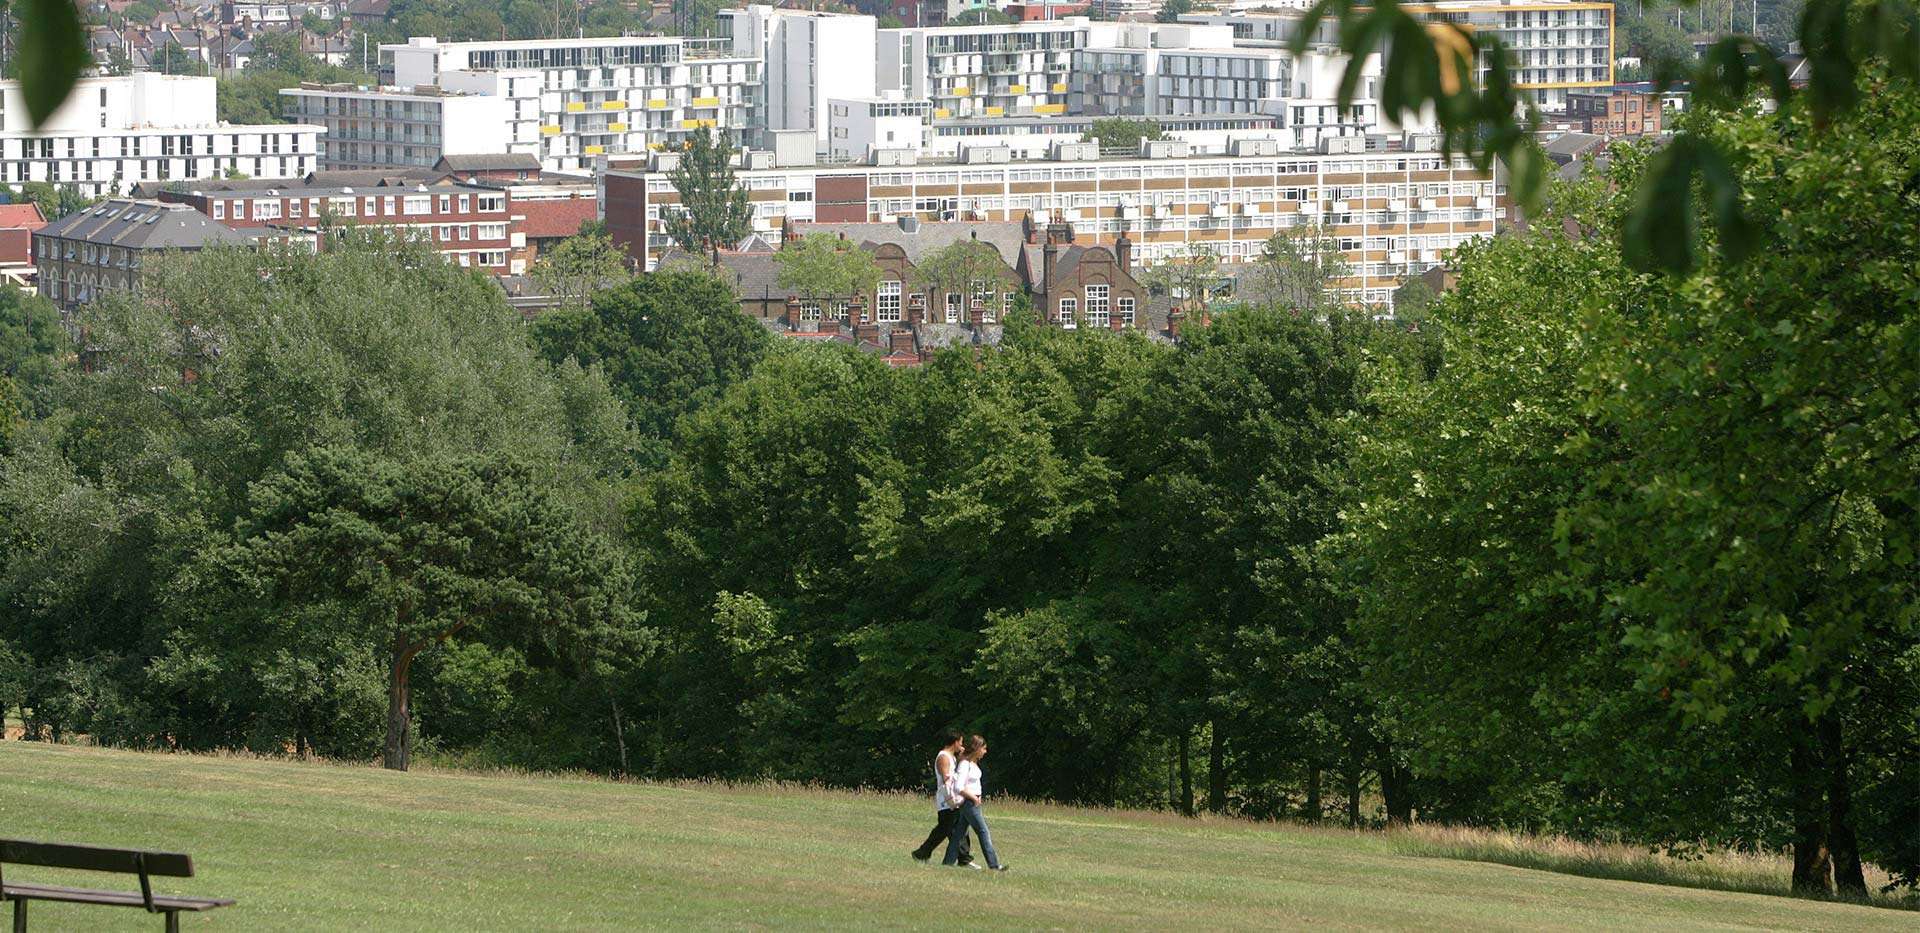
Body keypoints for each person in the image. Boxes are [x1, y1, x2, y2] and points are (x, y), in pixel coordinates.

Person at [943, 734, 1007, 871]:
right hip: (969, 804)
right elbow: (958, 787)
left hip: (972, 802)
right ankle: (994, 865)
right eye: (983, 748)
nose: (985, 751)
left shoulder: (972, 764)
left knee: (958, 835)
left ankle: (947, 863)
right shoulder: (965, 765)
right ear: (977, 748)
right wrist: (973, 798)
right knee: (983, 832)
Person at [910, 731, 973, 866]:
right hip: (946, 801)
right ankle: (963, 859)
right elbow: (946, 779)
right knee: (949, 829)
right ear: (955, 742)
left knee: (949, 829)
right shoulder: (943, 757)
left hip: (952, 800)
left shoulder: (952, 757)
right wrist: (951, 800)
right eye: (961, 742)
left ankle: (922, 853)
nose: (962, 746)